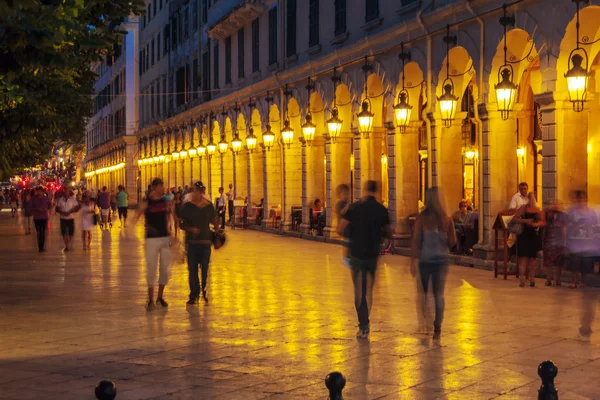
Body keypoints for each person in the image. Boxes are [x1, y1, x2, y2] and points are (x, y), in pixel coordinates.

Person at [337, 181, 392, 339]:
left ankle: (363, 324)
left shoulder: (355, 207)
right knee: (369, 289)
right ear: (377, 191)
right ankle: (365, 321)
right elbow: (390, 233)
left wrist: (353, 233)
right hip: (372, 254)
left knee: (358, 290)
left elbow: (340, 228)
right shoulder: (382, 210)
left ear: (365, 190)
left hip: (356, 253)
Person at [411, 187, 457, 341]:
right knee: (439, 294)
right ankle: (437, 326)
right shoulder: (447, 218)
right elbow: (453, 241)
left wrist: (413, 261)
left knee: (423, 294)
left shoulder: (422, 218)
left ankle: (424, 324)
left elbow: (417, 241)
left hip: (426, 260)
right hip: (442, 260)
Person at [133, 178, 173, 311]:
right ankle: (150, 299)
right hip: (151, 239)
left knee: (165, 269)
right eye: (161, 186)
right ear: (155, 188)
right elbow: (137, 215)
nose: (163, 189)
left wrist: (172, 233)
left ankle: (160, 297)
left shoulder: (165, 201)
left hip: (164, 238)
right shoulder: (147, 202)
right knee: (151, 268)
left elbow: (169, 217)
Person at [179, 181, 221, 305]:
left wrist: (218, 234)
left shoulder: (208, 206)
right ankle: (194, 294)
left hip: (205, 242)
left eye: (194, 191)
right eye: (191, 191)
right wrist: (191, 229)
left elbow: (215, 222)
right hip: (192, 243)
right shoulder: (187, 206)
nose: (192, 193)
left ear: (200, 192)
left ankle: (204, 292)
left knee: (204, 269)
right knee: (192, 271)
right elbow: (181, 224)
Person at [566, 190, 597, 289]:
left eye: (583, 198)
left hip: (587, 239)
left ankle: (582, 282)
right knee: (575, 260)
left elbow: (595, 223)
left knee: (585, 262)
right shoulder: (572, 211)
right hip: (575, 239)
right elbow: (567, 224)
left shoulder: (591, 211)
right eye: (579, 198)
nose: (581, 200)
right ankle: (574, 281)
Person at [512, 192, 543, 287]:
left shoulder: (537, 209)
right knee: (523, 259)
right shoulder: (523, 208)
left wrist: (536, 224)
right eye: (530, 198)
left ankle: (532, 279)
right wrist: (526, 221)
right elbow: (514, 219)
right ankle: (522, 280)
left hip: (533, 235)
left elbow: (541, 221)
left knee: (532, 259)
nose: (532, 200)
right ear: (527, 199)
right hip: (524, 234)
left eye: (533, 198)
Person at [540, 199, 568, 286]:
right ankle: (549, 279)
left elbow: (565, 228)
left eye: (557, 204)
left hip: (559, 240)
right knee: (548, 261)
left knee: (559, 261)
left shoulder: (564, 215)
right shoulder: (546, 213)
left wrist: (565, 241)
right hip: (548, 240)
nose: (555, 205)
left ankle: (558, 280)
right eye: (553, 203)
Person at [31, 186, 52, 252]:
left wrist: (47, 210)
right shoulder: (34, 198)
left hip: (44, 217)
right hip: (37, 217)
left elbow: (50, 206)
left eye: (40, 191)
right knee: (38, 232)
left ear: (43, 192)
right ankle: (39, 245)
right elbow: (31, 206)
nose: (38, 192)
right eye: (37, 191)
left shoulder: (46, 198)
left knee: (43, 232)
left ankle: (41, 247)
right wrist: (36, 209)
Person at [335, 184, 352, 268]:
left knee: (349, 241)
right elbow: (342, 212)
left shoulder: (345, 203)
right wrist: (348, 205)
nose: (346, 196)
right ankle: (345, 257)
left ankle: (348, 257)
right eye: (344, 194)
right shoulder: (339, 204)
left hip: (348, 225)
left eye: (347, 194)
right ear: (339, 195)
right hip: (343, 226)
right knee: (347, 240)